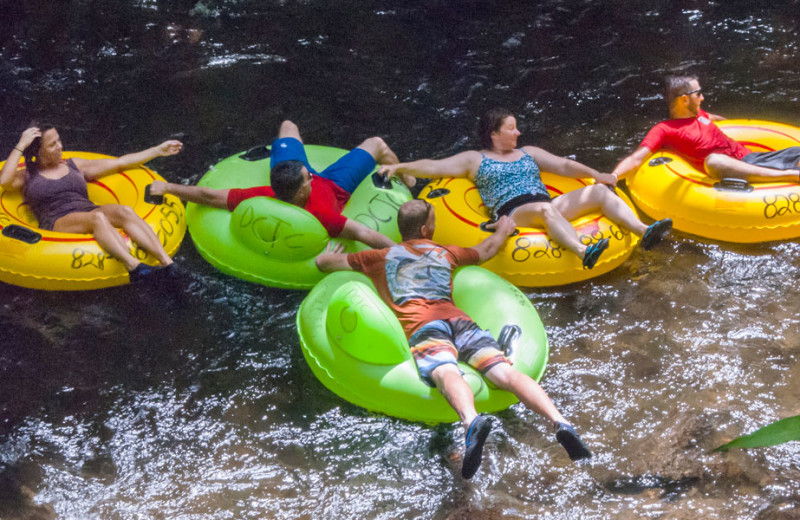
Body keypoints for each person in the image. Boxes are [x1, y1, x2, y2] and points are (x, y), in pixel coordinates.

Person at [315, 199, 592, 479]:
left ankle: (471, 422)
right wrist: (504, 230)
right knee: (504, 372)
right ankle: (560, 421)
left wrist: (326, 255)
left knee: (445, 370)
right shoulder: (446, 253)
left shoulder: (378, 257)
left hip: (424, 327)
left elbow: (327, 264)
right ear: (426, 229)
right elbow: (487, 250)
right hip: (460, 321)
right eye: (434, 221)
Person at [380, 108, 672, 269]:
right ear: (494, 134)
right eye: (511, 128)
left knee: (596, 193)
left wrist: (598, 175)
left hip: (545, 204)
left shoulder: (529, 151)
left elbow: (564, 167)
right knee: (544, 208)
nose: (518, 132)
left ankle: (643, 231)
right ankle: (584, 253)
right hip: (512, 212)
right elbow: (433, 167)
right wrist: (399, 167)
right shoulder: (474, 159)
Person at [148, 120, 416, 249]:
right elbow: (366, 235)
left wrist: (169, 187)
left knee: (288, 126)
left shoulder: (265, 193)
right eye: (308, 177)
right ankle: (408, 179)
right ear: (302, 190)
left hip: (292, 172)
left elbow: (207, 196)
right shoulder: (321, 216)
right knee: (377, 144)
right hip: (337, 184)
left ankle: (404, 174)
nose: (311, 175)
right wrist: (409, 257)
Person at [0, 124, 181, 282]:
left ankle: (168, 263)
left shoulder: (74, 165)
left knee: (124, 211)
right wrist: (21, 145)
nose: (60, 146)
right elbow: (4, 181)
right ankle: (135, 268)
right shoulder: (27, 175)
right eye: (52, 144)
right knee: (97, 218)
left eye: (59, 141)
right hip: (57, 220)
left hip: (88, 209)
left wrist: (158, 150)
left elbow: (120, 162)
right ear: (38, 151)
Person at [612, 75, 800, 182]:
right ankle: (790, 176)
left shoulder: (699, 114)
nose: (702, 98)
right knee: (714, 160)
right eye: (698, 93)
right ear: (684, 99)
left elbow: (718, 120)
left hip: (753, 157)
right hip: (735, 167)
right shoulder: (665, 129)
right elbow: (637, 157)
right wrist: (613, 176)